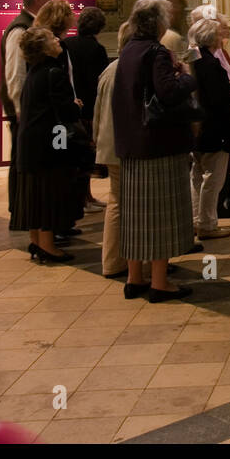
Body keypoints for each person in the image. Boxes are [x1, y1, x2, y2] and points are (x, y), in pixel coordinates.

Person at [113, 0, 198, 302]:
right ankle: (160, 283)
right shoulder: (155, 52)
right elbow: (169, 92)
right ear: (159, 24)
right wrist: (186, 78)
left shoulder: (129, 51)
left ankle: (135, 279)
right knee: (161, 214)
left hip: (132, 144)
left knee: (136, 216)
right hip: (157, 144)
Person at [9, 27, 81, 265]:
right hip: (50, 141)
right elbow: (65, 111)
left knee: (34, 193)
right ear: (43, 46)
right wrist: (76, 105)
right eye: (52, 38)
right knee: (49, 191)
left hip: (31, 142)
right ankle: (49, 246)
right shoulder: (54, 72)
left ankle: (37, 241)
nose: (58, 40)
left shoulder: (35, 72)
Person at [0, 0, 52, 221]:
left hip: (32, 108)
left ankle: (27, 210)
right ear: (39, 1)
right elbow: (15, 72)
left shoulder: (31, 26)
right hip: (24, 109)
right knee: (21, 160)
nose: (52, 2)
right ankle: (18, 209)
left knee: (28, 160)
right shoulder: (19, 29)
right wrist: (20, 107)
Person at [189, 17, 230, 241]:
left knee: (197, 176)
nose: (222, 38)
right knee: (213, 179)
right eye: (219, 34)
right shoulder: (211, 66)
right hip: (213, 129)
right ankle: (207, 224)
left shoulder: (193, 60)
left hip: (195, 129)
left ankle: (194, 221)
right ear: (212, 38)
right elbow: (222, 102)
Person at [93, 20, 132, 278]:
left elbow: (97, 113)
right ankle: (128, 262)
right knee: (125, 204)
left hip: (108, 145)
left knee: (116, 202)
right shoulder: (130, 70)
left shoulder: (110, 69)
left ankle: (112, 261)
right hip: (124, 146)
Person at [67, 6, 109, 212]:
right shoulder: (96, 49)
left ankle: (87, 196)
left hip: (72, 105)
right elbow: (98, 82)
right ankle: (84, 199)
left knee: (77, 155)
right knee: (85, 154)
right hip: (89, 107)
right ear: (100, 27)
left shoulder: (67, 43)